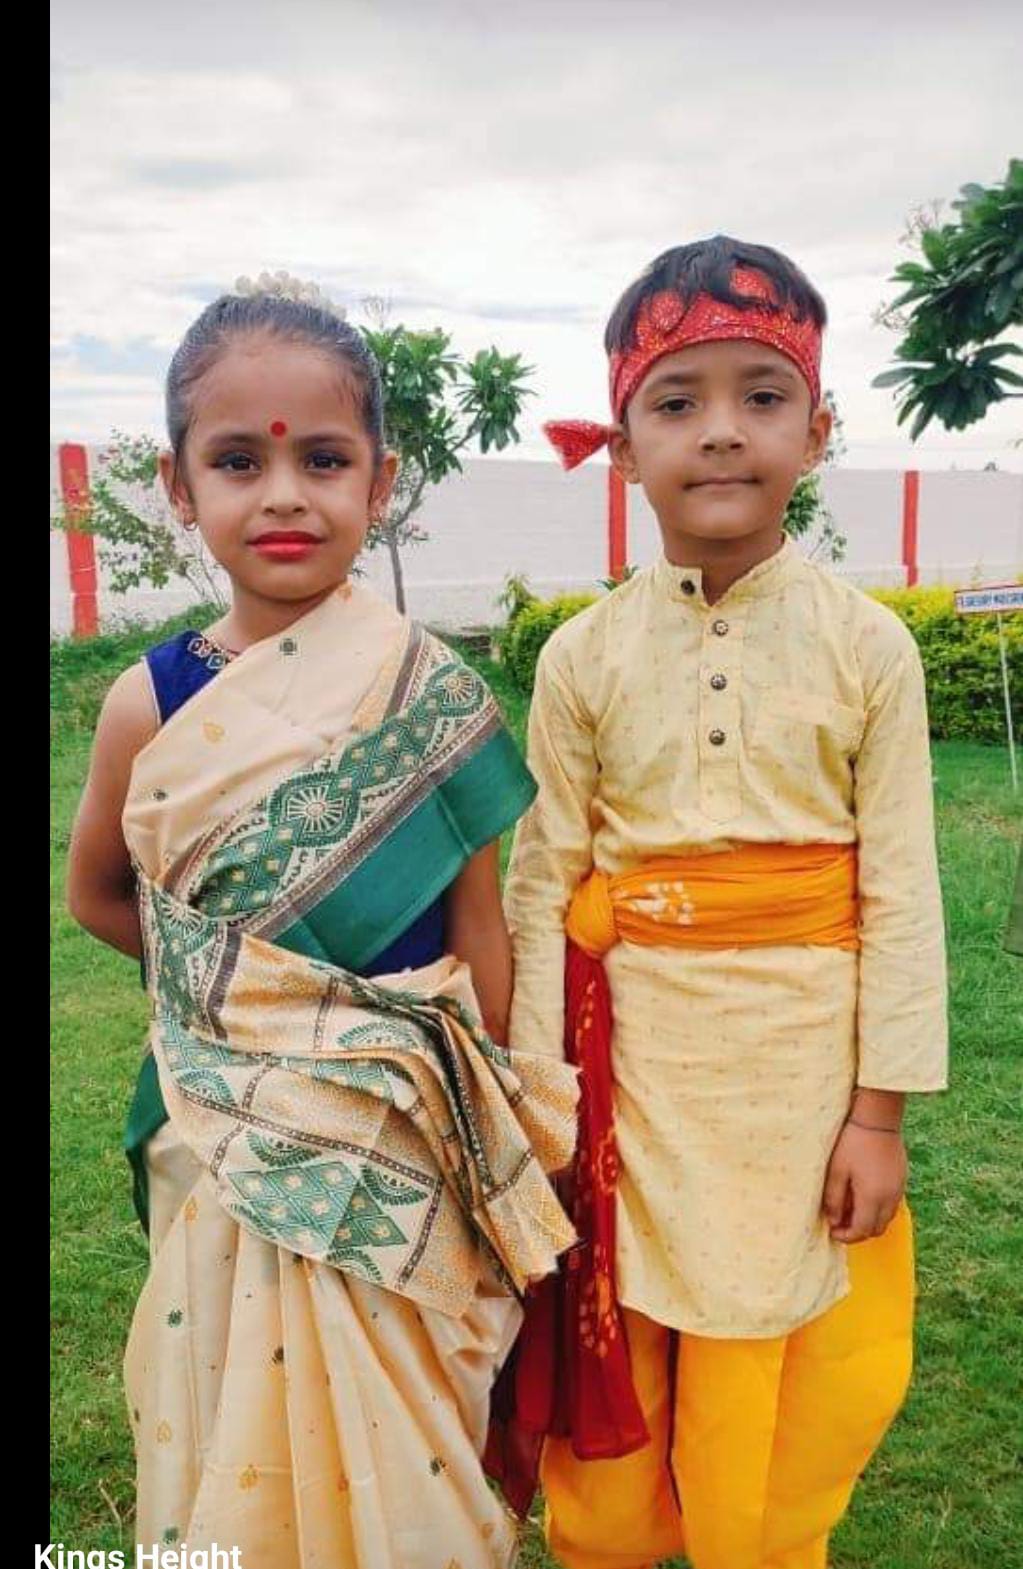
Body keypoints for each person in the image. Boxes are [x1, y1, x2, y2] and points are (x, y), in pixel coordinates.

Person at [66, 272, 576, 1569]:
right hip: (221, 1125)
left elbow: (481, 924)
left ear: (381, 480)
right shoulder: (150, 701)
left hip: (405, 1122)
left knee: (412, 1430)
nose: (284, 493)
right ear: (179, 487)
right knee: (232, 1415)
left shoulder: (432, 695)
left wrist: (495, 1106)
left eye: (325, 459)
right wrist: (246, 1008)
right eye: (239, 460)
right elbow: (98, 892)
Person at [502, 236, 948, 1569]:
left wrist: (878, 1115)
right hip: (628, 1078)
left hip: (798, 1083)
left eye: (762, 396)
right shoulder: (581, 656)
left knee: (771, 1377)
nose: (720, 432)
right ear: (622, 450)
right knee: (625, 1341)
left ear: (817, 431)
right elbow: (542, 883)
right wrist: (540, 1100)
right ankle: (612, 1540)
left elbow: (904, 893)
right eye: (677, 401)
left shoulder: (871, 647)